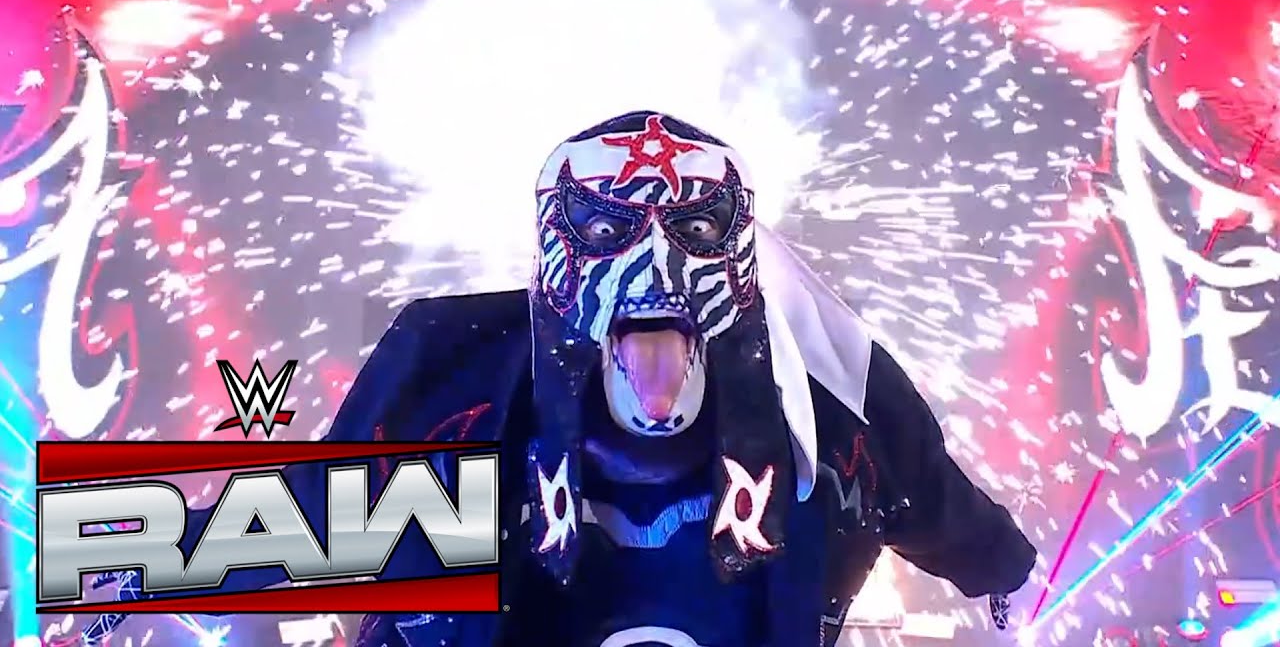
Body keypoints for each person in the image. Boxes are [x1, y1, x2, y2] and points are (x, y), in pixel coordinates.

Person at [84, 111, 1035, 647]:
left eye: (693, 230)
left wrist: (1000, 566)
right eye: (611, 229)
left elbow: (928, 496)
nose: (655, 265)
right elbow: (292, 527)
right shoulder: (459, 400)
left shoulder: (821, 431)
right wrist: (118, 558)